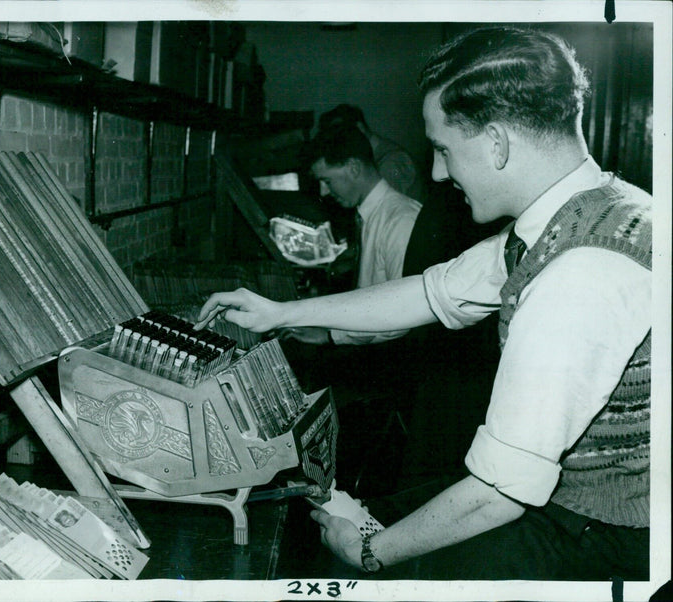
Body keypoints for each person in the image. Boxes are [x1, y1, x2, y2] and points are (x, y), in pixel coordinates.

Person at [197, 26, 652, 580]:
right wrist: (282, 312)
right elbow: (430, 292)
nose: (437, 173)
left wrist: (370, 552)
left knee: (341, 565)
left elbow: (497, 494)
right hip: (566, 506)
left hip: (605, 538)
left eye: (443, 149)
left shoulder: (579, 274)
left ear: (496, 142)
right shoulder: (585, 210)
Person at [283, 123, 422, 347]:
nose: (324, 192)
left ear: (354, 168)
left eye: (327, 181)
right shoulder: (369, 215)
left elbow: (403, 316)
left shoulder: (401, 220)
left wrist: (331, 335)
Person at [319, 103, 427, 203]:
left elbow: (388, 208)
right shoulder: (372, 156)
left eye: (342, 136)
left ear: (360, 128)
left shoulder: (391, 161)